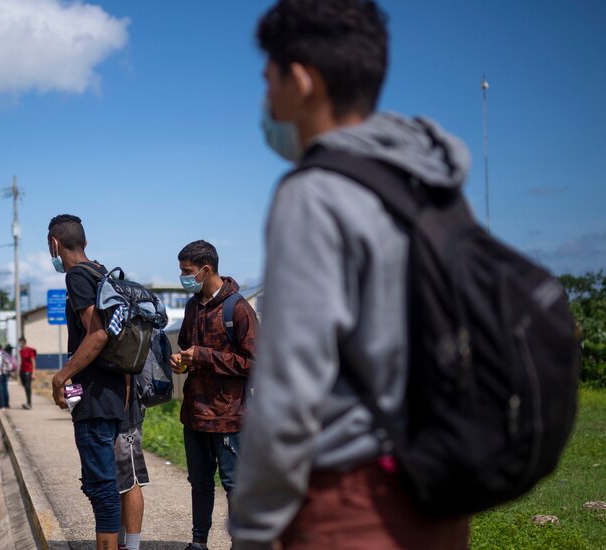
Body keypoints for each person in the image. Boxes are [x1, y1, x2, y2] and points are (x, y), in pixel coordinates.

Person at [228, 2, 473, 548]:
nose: (266, 101)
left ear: (301, 80)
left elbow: (290, 390)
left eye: (269, 82)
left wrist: (254, 527)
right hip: (439, 495)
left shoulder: (314, 194)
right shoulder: (433, 183)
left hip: (351, 505)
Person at [170, 240, 258, 550]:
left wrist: (204, 356)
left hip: (228, 416)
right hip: (195, 414)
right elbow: (186, 348)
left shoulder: (239, 308)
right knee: (200, 483)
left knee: (234, 485)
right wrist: (181, 361)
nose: (182, 276)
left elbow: (254, 363)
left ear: (206, 270)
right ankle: (198, 542)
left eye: (187, 271)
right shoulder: (193, 305)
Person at [47, 214, 126, 549]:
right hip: (109, 394)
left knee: (101, 486)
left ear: (54, 244)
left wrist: (61, 376)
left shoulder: (78, 276)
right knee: (103, 483)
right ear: (85, 242)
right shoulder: (100, 271)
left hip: (95, 398)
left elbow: (97, 335)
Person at [115, 374, 148, 550]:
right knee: (119, 481)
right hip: (115, 411)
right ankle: (120, 542)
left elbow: (127, 371)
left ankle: (132, 546)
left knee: (131, 480)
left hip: (124, 416)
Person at [17, 337, 37, 410]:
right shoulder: (21, 351)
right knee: (25, 387)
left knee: (28, 387)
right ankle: (27, 402)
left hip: (28, 372)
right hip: (22, 371)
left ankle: (29, 403)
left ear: (23, 342)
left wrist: (33, 373)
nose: (19, 344)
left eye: (19, 342)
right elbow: (21, 362)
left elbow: (33, 362)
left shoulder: (29, 351)